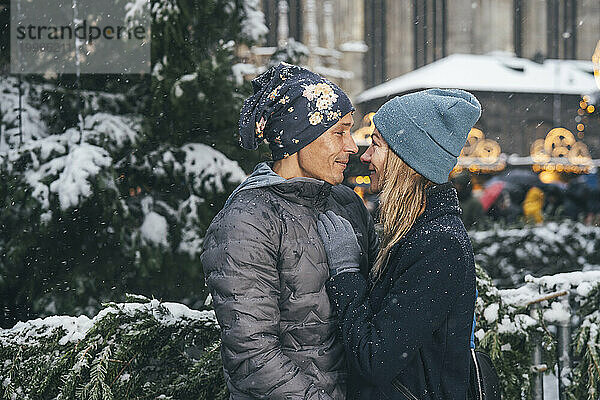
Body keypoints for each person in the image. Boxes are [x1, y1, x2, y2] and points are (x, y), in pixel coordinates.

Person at [201, 62, 378, 399]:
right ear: (301, 136)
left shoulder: (347, 205)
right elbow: (252, 357)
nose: (353, 146)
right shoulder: (247, 221)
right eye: (339, 132)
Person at [317, 89, 481, 400]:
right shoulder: (415, 231)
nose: (364, 155)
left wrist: (346, 271)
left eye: (376, 145)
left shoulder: (439, 245)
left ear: (406, 160)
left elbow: (376, 360)